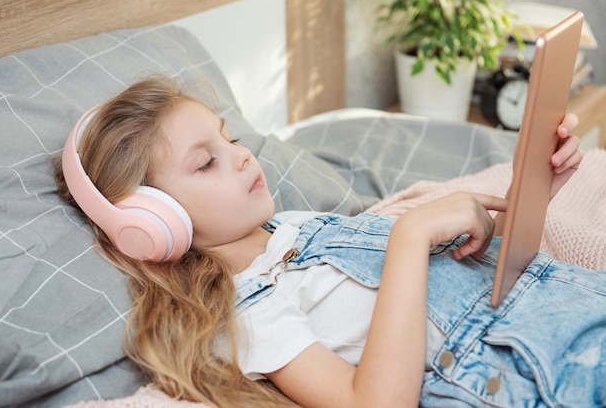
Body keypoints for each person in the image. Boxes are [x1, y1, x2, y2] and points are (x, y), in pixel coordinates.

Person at [54, 75, 604, 408]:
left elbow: (461, 263)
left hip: (572, 303)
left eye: (232, 139)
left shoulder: (295, 227)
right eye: (206, 162)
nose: (243, 155)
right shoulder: (244, 313)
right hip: (547, 374)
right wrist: (410, 235)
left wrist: (534, 189)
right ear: (155, 221)